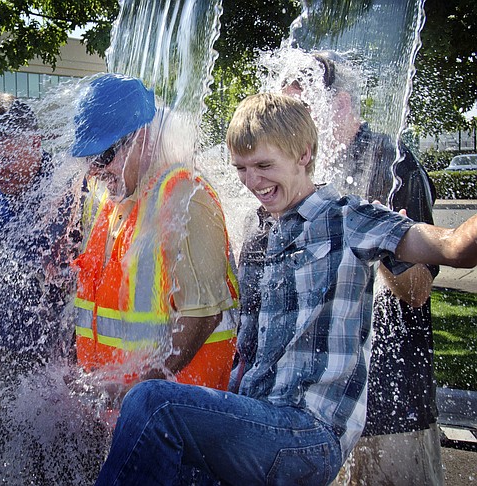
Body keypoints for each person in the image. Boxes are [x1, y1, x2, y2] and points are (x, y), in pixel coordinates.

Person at [94, 93, 477, 485]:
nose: (252, 181)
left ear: (304, 154)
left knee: (153, 404)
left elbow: (456, 247)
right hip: (255, 423)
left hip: (309, 433)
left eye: (263, 165)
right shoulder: (258, 234)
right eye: (241, 168)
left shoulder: (349, 218)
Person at [279, 50, 443, 485]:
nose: (293, 125)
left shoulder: (393, 164)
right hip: (320, 409)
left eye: (303, 109)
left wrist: (376, 233)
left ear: (343, 104)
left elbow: (418, 291)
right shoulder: (302, 169)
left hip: (390, 409)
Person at [70, 73, 239, 394]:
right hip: (127, 416)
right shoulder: (113, 202)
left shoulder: (186, 197)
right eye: (88, 159)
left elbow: (203, 317)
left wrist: (132, 389)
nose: (94, 169)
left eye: (104, 155)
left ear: (144, 138)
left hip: (178, 417)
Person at [0, 92, 81, 480]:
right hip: (7, 351)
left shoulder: (69, 187)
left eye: (6, 154)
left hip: (65, 355)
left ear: (34, 141)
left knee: (65, 460)